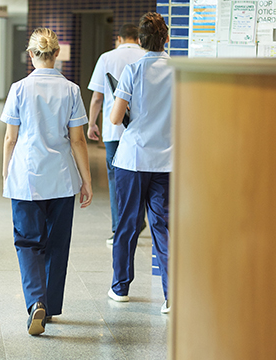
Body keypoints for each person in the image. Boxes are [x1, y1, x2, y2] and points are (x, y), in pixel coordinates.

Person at [1, 28, 93, 336]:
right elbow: (78, 140)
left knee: (28, 242)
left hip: (27, 176)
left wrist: (6, 172)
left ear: (31, 55)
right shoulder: (71, 90)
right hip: (62, 178)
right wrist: (86, 180)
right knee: (56, 244)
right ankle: (49, 307)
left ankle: (35, 301)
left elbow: (10, 138)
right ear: (57, 55)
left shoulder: (18, 89)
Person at [108, 12, 172, 314]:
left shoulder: (133, 70)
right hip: (167, 160)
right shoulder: (179, 71)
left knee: (127, 225)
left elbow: (115, 118)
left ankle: (120, 288)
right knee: (164, 226)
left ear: (142, 41)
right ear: (166, 39)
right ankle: (172, 296)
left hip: (132, 160)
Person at [87, 24, 146, 245]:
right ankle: (138, 220)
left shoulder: (106, 58)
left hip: (113, 129)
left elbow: (97, 97)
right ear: (138, 38)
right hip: (140, 129)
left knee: (115, 177)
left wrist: (92, 123)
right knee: (140, 175)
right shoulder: (146, 56)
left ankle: (118, 227)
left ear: (119, 38)